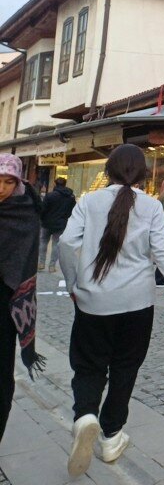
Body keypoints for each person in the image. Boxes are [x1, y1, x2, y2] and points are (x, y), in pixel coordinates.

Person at [59, 145, 164, 477]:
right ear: (143, 174)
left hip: (93, 301)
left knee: (89, 364)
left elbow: (66, 243)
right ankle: (112, 434)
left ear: (108, 170)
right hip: (137, 303)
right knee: (126, 367)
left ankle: (85, 415)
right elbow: (163, 250)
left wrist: (73, 283)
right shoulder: (152, 206)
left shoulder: (89, 201)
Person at [0, 154, 46, 443]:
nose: (2, 188)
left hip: (6, 306)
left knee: (2, 379)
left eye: (9, 182)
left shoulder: (26, 211)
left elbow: (25, 261)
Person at [39, 177, 76, 273]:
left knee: (43, 242)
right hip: (60, 224)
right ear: (65, 184)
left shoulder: (50, 195)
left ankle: (41, 263)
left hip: (47, 223)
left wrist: (41, 219)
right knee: (56, 244)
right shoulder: (70, 197)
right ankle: (52, 266)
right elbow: (72, 211)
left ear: (55, 184)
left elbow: (43, 209)